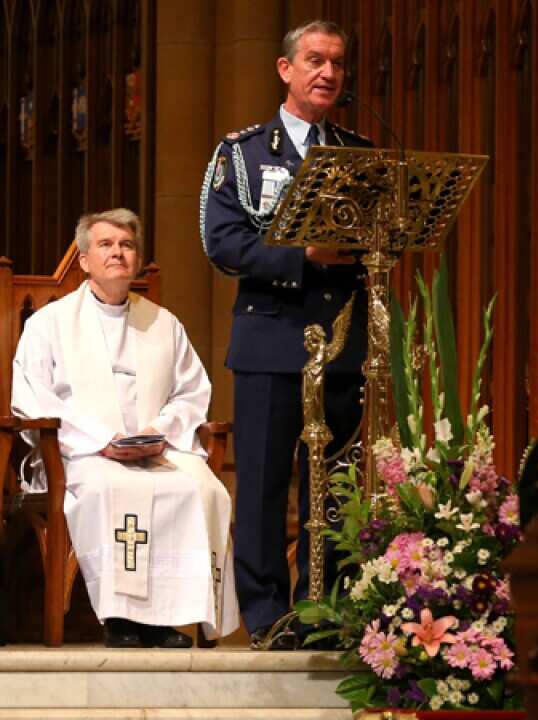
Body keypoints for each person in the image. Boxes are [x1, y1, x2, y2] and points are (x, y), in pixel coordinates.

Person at [200, 19, 370, 650]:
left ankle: (327, 611)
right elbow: (222, 242)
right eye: (316, 60)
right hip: (271, 339)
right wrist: (303, 256)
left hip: (342, 341)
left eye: (338, 63)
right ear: (285, 69)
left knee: (335, 484)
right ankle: (269, 616)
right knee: (265, 484)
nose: (329, 73)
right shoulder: (243, 153)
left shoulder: (358, 152)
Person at [11, 209, 239, 648]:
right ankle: (121, 619)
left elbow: (191, 392)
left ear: (136, 258)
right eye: (106, 244)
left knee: (203, 490)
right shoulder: (49, 324)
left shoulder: (163, 323)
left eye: (127, 245)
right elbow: (34, 398)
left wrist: (157, 431)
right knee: (109, 487)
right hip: (83, 454)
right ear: (84, 260)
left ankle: (170, 620)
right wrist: (102, 441)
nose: (118, 252)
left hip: (158, 450)